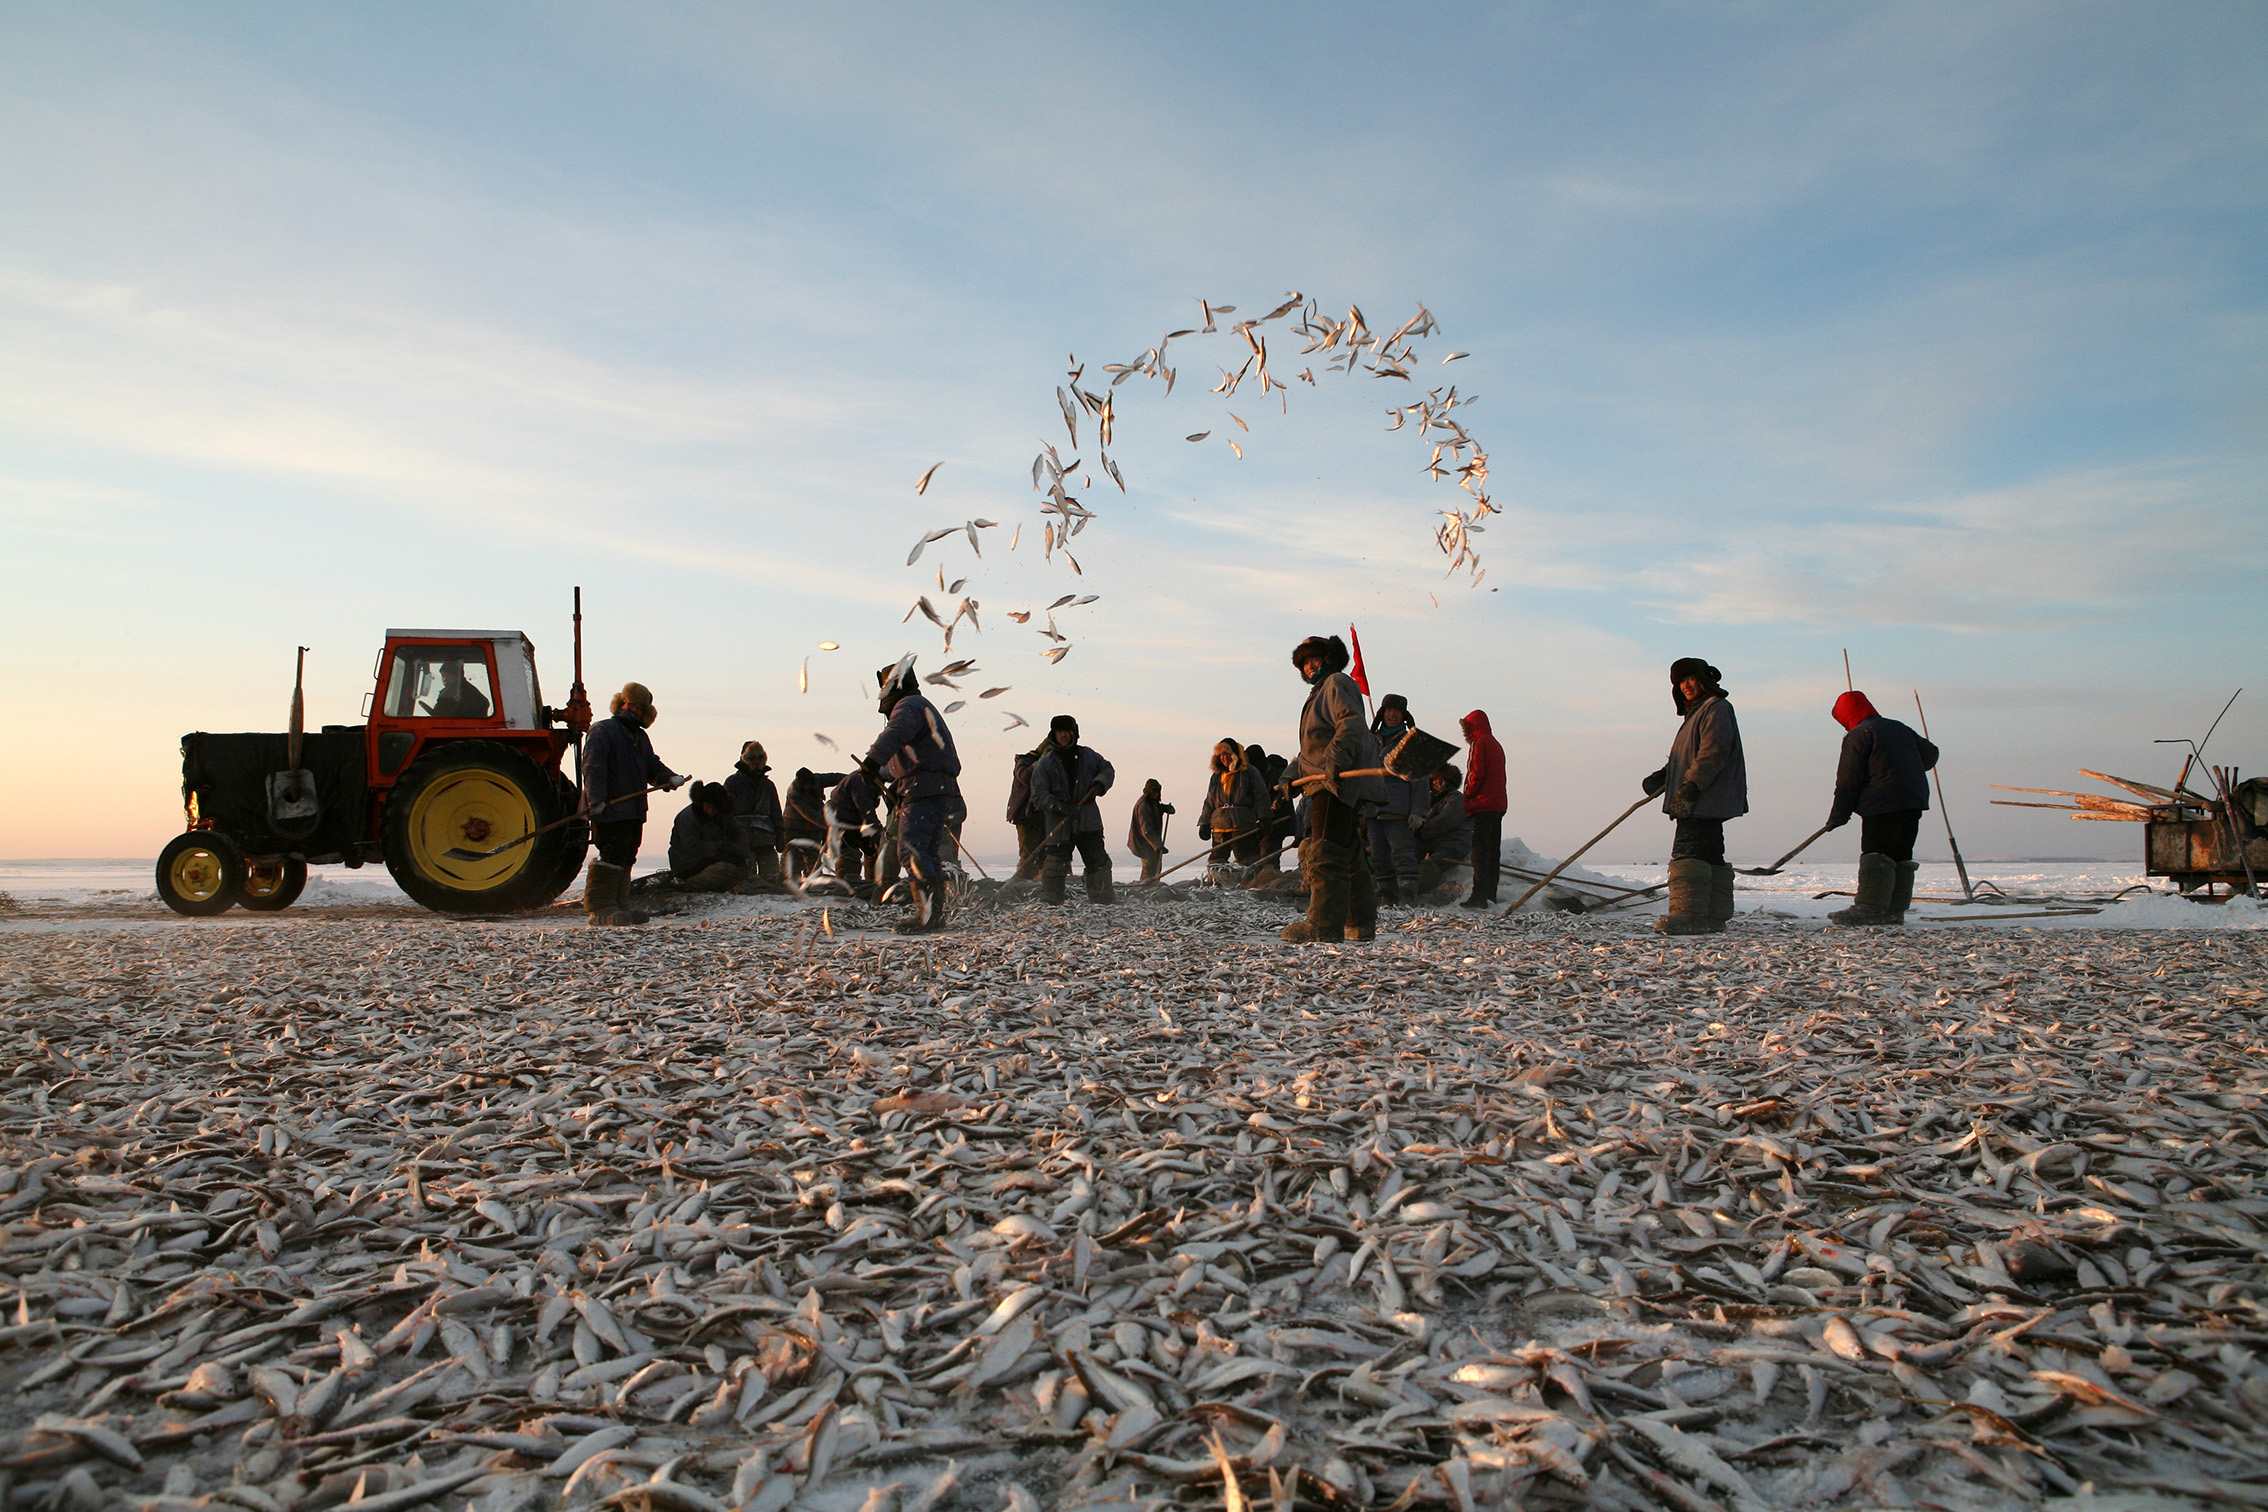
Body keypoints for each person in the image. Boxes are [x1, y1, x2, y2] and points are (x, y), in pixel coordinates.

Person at [1284, 635, 1382, 944]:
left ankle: (1323, 924)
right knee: (1348, 852)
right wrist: (1290, 774)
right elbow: (1312, 748)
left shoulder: (1337, 683)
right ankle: (1360, 922)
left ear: (1329, 658)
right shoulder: (1319, 693)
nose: (1310, 666)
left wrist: (1335, 760)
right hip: (1325, 780)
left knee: (1325, 851)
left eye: (1315, 659)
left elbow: (1351, 724)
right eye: (1304, 663)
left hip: (1337, 781)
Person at [1641, 658, 1747, 936]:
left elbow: (1712, 753)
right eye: (1680, 681)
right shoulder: (1697, 713)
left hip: (1704, 797)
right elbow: (1688, 757)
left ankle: (1688, 914)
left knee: (1688, 851)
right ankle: (1713, 915)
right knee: (1710, 853)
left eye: (1691, 679)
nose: (1686, 685)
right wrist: (1665, 775)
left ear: (1704, 679)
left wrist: (1690, 787)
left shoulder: (1715, 708)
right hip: (1703, 796)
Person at [857, 657, 963, 933]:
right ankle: (932, 913)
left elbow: (896, 734)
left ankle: (927, 915)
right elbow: (908, 756)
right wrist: (880, 774)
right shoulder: (919, 705)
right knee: (925, 850)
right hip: (934, 786)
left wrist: (871, 762)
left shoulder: (908, 707)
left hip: (923, 787)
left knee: (912, 849)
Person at [1823, 690, 1939, 927]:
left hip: (1882, 803)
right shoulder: (1899, 727)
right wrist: (1904, 767)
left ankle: (1870, 908)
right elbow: (1931, 753)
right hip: (1913, 800)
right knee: (1901, 854)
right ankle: (1894, 911)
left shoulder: (1859, 735)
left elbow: (1848, 780)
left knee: (1878, 854)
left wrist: (1838, 815)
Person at [580, 682, 688, 927]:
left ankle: (620, 905)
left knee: (628, 855)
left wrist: (667, 778)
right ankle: (600, 908)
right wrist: (595, 801)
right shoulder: (603, 730)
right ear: (623, 703)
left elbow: (651, 764)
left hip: (634, 809)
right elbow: (593, 768)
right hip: (607, 809)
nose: (637, 712)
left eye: (642, 708)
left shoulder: (640, 737)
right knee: (611, 854)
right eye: (634, 706)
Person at [1028, 714, 1117, 905]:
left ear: (1074, 733)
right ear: (1053, 734)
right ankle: (1050, 903)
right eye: (1059, 731)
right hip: (1059, 823)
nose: (1063, 735)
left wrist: (1100, 784)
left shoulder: (1088, 756)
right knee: (1054, 866)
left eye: (1066, 731)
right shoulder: (1046, 763)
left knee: (1098, 863)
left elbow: (1107, 769)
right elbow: (1038, 794)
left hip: (1088, 821)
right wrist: (1057, 806)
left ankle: (1103, 902)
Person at [1367, 694, 1423, 904]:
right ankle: (1387, 898)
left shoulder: (1411, 742)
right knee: (1378, 856)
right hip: (1373, 809)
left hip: (1399, 809)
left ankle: (1408, 899)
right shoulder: (1371, 740)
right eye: (1388, 711)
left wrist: (1418, 811)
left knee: (1403, 855)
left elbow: (1420, 778)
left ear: (1403, 716)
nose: (1392, 715)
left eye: (1396, 712)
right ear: (1382, 713)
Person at [1197, 739, 1270, 884]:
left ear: (1235, 754)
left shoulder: (1249, 772)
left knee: (1248, 862)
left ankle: (1249, 886)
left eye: (1227, 754)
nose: (1224, 758)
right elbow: (1210, 801)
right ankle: (1217, 886)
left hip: (1242, 825)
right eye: (1221, 755)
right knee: (1216, 862)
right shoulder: (1216, 776)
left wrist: (1265, 817)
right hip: (1219, 827)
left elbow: (1261, 796)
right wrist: (1204, 822)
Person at [724, 741, 788, 892]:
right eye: (751, 758)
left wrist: (780, 833)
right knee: (745, 878)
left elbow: (776, 812)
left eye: (758, 758)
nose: (755, 761)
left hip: (765, 838)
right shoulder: (732, 782)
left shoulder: (768, 785)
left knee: (772, 877)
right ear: (744, 759)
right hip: (741, 838)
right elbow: (725, 812)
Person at [1458, 710, 1506, 909]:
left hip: (1483, 804)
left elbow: (1475, 773)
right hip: (1498, 804)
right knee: (1493, 852)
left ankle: (1478, 896)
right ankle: (1490, 894)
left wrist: (1467, 794)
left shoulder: (1480, 744)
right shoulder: (1496, 744)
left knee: (1479, 851)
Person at [668, 781, 751, 891]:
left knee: (741, 870)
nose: (711, 811)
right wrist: (721, 849)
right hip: (687, 864)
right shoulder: (687, 817)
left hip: (711, 859)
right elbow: (692, 847)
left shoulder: (724, 815)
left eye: (715, 807)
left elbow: (738, 833)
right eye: (708, 806)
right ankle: (687, 885)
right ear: (702, 802)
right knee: (725, 869)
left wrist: (741, 852)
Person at [1414, 764, 1474, 901]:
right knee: (1405, 858)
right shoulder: (1432, 802)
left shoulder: (1456, 799)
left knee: (1429, 867)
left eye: (1437, 779)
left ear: (1446, 781)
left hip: (1453, 845)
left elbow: (1445, 821)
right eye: (1433, 779)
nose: (1435, 783)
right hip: (1432, 844)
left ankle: (1408, 890)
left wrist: (1420, 829)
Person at [827, 768, 884, 897]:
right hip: (842, 820)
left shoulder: (872, 783)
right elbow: (866, 809)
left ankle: (871, 884)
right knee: (849, 855)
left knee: (872, 851)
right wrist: (877, 831)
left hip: (857, 820)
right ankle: (844, 889)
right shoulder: (860, 781)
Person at [781, 767, 842, 881]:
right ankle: (790, 882)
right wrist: (828, 825)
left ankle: (813, 882)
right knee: (792, 861)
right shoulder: (793, 793)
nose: (805, 788)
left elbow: (836, 777)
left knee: (813, 860)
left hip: (813, 829)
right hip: (793, 829)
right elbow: (809, 813)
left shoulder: (818, 780)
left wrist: (852, 779)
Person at [1005, 737, 1052, 881]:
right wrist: (1041, 763)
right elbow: (1025, 777)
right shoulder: (1024, 762)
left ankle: (1044, 885)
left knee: (1047, 855)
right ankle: (1023, 885)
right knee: (1028, 856)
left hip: (1046, 815)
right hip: (1027, 816)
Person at [1128, 779, 1172, 884]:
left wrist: (1165, 808)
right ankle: (1145, 890)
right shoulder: (1143, 806)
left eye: (1158, 792)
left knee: (1157, 867)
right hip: (1145, 844)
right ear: (1149, 792)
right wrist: (1158, 845)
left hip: (1151, 844)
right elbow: (1146, 830)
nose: (1157, 795)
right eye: (1154, 792)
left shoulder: (1152, 803)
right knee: (1149, 870)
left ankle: (1152, 887)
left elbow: (1156, 809)